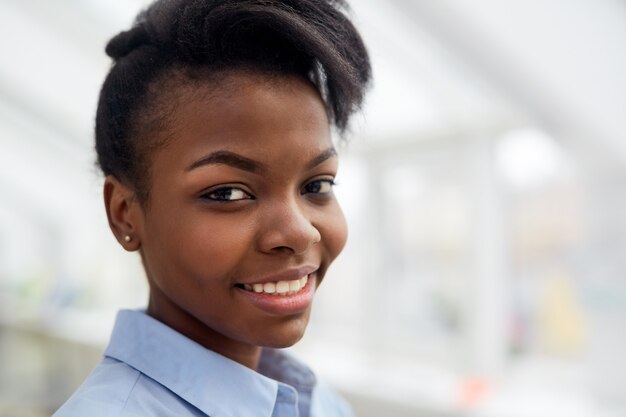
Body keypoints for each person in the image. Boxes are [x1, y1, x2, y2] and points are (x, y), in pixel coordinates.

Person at [53, 0, 370, 416]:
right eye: (228, 193)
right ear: (124, 214)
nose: (299, 233)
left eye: (317, 185)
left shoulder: (317, 403)